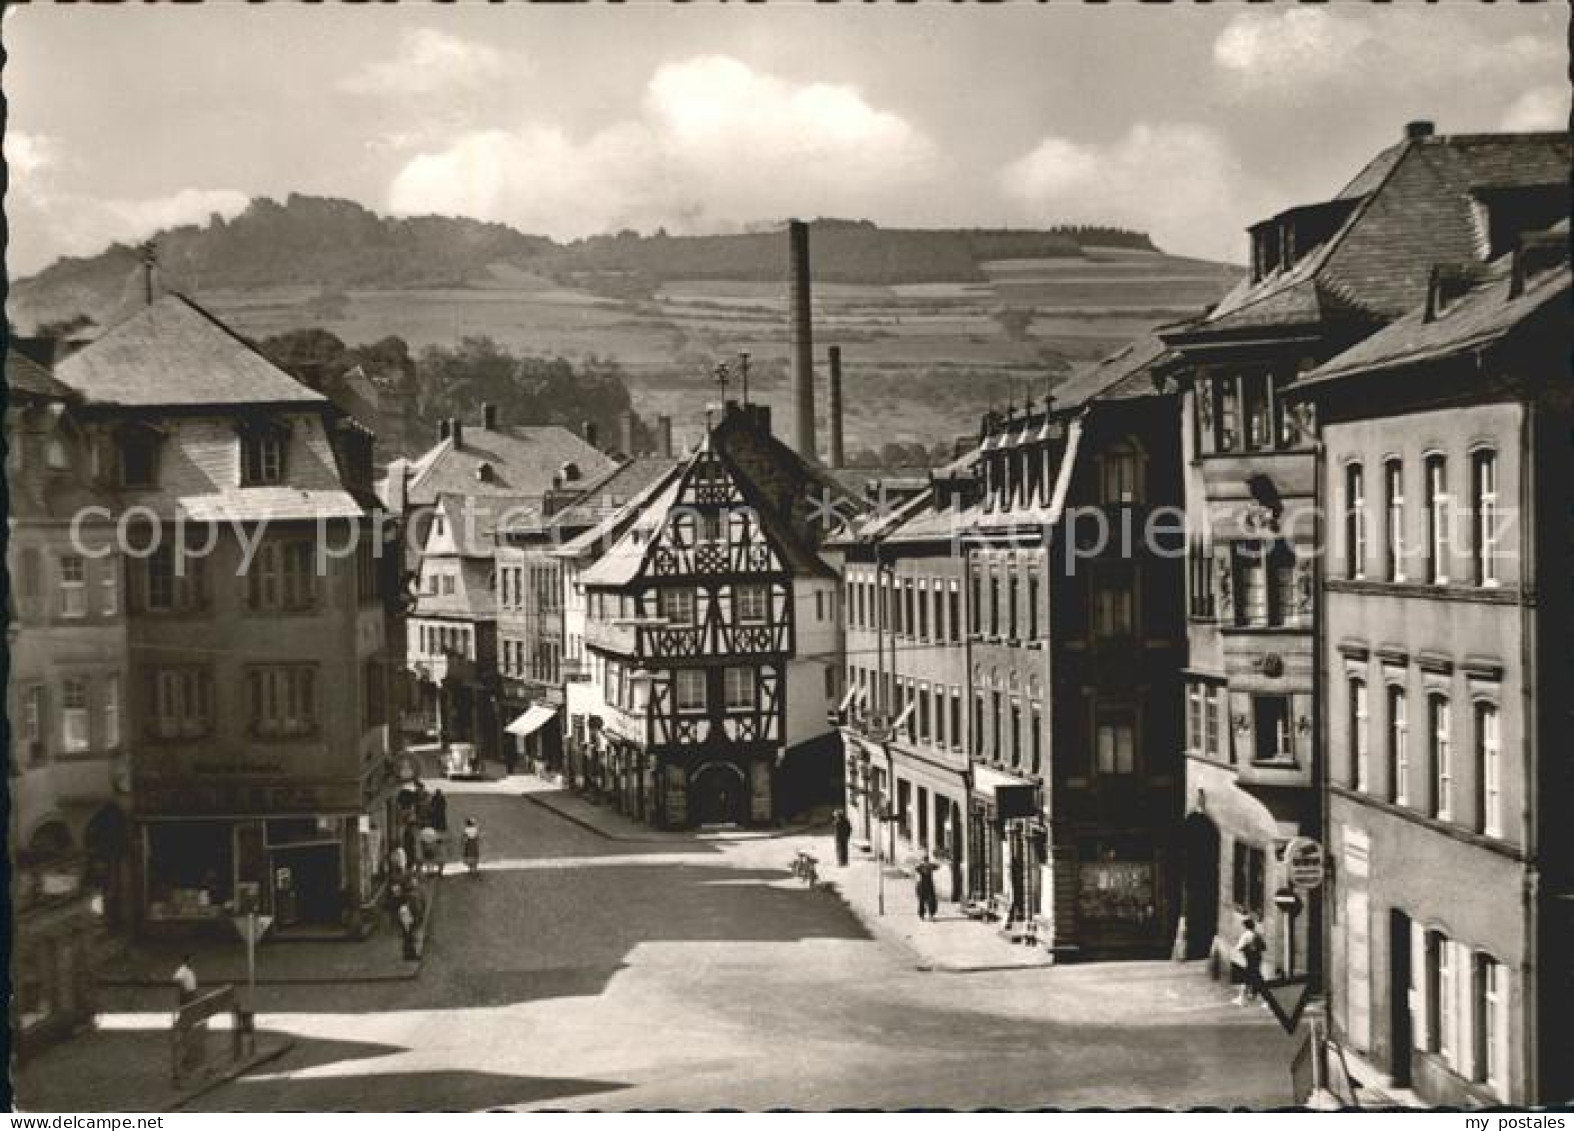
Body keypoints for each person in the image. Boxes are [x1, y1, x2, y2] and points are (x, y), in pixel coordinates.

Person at [1232, 917, 1267, 1006]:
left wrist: (1247, 948)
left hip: (1250, 959)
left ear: (1245, 926)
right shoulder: (1257, 935)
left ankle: (1265, 1000)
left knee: (1251, 978)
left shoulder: (1246, 935)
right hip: (1257, 959)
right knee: (1252, 978)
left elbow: (1238, 948)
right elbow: (1264, 947)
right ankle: (1242, 998)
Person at [914, 853, 940, 920]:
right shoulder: (924, 867)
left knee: (929, 900)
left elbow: (937, 866)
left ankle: (927, 914)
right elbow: (937, 866)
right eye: (925, 860)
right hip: (925, 884)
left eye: (926, 860)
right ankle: (924, 914)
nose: (926, 862)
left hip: (925, 884)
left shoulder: (925, 866)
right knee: (924, 900)